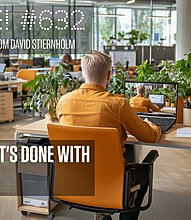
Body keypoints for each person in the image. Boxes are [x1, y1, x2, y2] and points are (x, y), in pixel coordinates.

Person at [56, 51, 162, 220]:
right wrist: (153, 126)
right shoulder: (117, 104)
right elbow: (149, 137)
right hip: (111, 182)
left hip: (76, 180)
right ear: (109, 74)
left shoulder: (64, 101)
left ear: (83, 74)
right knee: (143, 169)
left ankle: (103, 214)